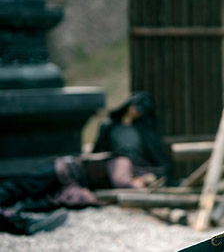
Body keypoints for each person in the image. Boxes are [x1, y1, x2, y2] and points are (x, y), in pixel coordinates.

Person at [0, 91, 172, 218]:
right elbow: (120, 177)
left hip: (75, 180)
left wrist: (144, 183)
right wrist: (138, 185)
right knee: (27, 185)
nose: (136, 111)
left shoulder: (134, 155)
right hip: (67, 169)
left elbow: (128, 180)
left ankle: (12, 211)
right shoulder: (120, 156)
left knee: (40, 198)